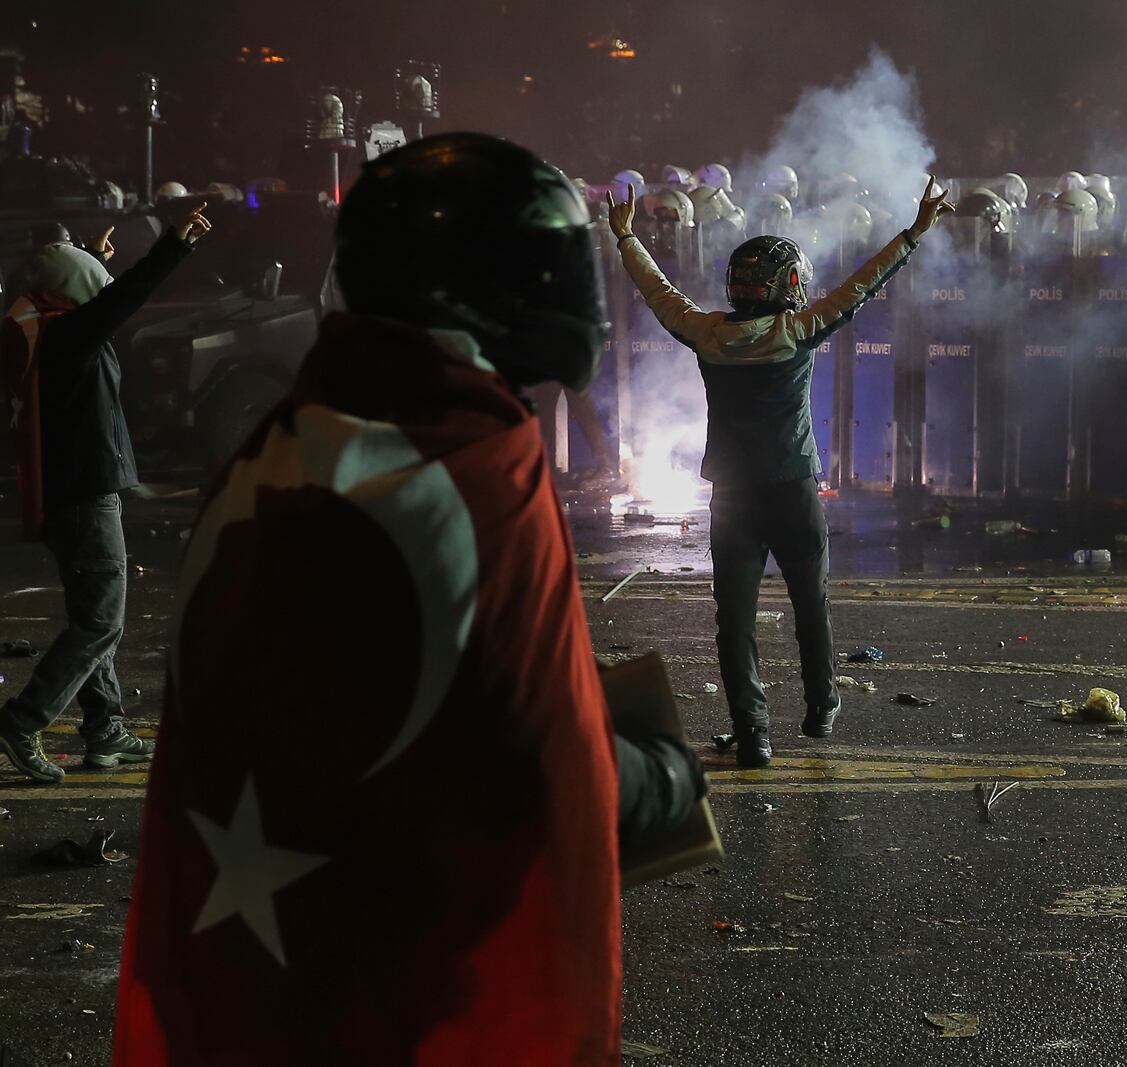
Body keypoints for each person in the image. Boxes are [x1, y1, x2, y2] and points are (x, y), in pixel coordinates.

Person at [113, 133, 705, 1064]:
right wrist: (660, 778)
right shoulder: (466, 455)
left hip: (269, 971)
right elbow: (528, 765)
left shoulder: (279, 443)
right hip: (405, 989)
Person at [608, 176, 954, 768]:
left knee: (734, 621)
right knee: (810, 605)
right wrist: (915, 232)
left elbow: (658, 292)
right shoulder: (797, 331)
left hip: (733, 499)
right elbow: (861, 286)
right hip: (793, 491)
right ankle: (821, 707)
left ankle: (754, 735)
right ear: (787, 285)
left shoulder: (707, 334)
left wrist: (626, 237)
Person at [0, 205, 211, 783]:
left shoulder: (41, 327)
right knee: (100, 624)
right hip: (87, 495)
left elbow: (94, 294)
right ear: (80, 292)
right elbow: (125, 299)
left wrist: (91, 257)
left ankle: (105, 728)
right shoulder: (70, 336)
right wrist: (174, 246)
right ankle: (24, 720)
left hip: (68, 494)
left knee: (92, 615)